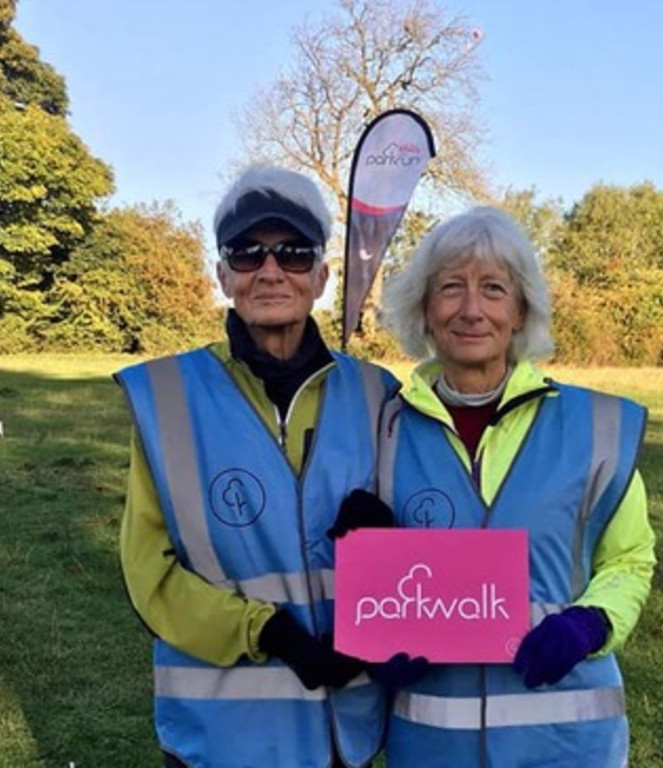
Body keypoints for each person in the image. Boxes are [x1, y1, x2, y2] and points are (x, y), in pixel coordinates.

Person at [115, 165, 399, 768]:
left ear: (322, 275)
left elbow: (425, 544)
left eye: (294, 253)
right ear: (222, 274)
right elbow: (149, 575)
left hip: (344, 731)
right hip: (220, 738)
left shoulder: (381, 394)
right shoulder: (165, 395)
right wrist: (270, 633)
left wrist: (388, 537)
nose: (270, 270)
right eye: (247, 253)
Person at [372, 206, 656, 767]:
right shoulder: (381, 428)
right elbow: (370, 567)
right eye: (451, 288)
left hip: (568, 743)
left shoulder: (594, 427)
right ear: (425, 311)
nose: (472, 310)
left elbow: (630, 558)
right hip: (433, 746)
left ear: (521, 310)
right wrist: (377, 639)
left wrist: (591, 621)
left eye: (494, 289)